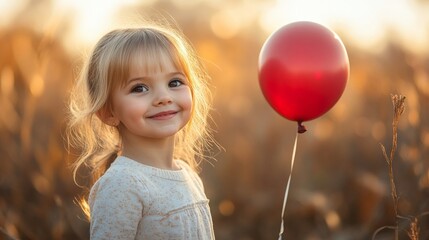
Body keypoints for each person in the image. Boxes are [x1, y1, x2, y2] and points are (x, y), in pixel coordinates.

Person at [67, 20, 216, 239]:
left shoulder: (189, 175)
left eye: (174, 82)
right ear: (109, 111)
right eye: (140, 88)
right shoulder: (122, 185)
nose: (164, 97)